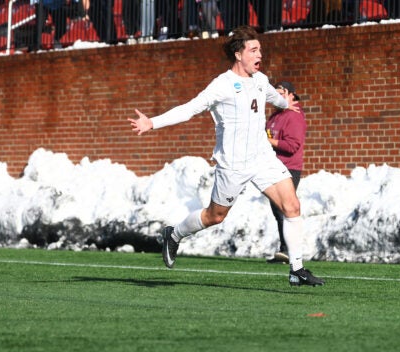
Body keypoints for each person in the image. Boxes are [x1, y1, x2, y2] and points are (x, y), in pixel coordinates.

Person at [127, 25, 325, 287]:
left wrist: (285, 103)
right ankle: (174, 234)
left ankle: (296, 270)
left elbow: (274, 98)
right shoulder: (221, 86)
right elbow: (189, 109)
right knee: (215, 216)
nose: (259, 55)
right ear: (238, 54)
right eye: (253, 50)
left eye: (260, 50)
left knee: (292, 206)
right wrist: (152, 122)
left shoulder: (260, 80)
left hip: (263, 158)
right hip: (233, 165)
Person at [265, 81, 306, 265]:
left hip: (289, 167)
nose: (276, 97)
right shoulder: (275, 116)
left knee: (286, 209)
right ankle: (285, 250)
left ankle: (291, 251)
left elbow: (292, 146)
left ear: (291, 95)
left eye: (280, 93)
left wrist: (269, 141)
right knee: (277, 210)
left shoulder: (294, 116)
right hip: (273, 167)